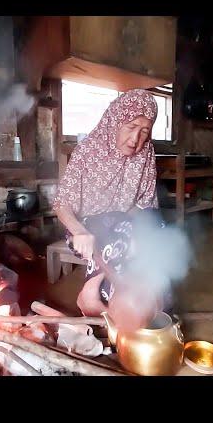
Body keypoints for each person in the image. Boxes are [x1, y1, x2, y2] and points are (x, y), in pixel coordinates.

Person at [53, 89, 168, 331]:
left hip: (123, 223)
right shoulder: (88, 150)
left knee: (155, 225)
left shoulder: (146, 153)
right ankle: (91, 293)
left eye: (144, 131)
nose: (136, 139)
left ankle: (145, 299)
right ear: (116, 120)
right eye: (131, 126)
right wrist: (78, 231)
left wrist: (139, 232)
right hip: (84, 227)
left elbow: (144, 203)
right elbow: (62, 203)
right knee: (115, 229)